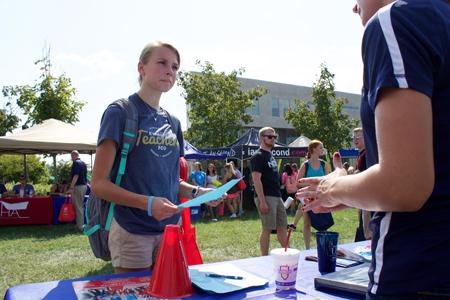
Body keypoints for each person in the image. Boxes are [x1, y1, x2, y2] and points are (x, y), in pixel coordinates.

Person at [298, 1, 450, 298]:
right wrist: (353, 193)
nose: (354, 7)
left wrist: (334, 186)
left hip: (418, 272)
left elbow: (404, 185)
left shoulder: (396, 21)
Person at [90, 42, 222, 274]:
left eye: (175, 66)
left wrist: (199, 194)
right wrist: (148, 204)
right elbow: (99, 185)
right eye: (162, 62)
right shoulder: (120, 112)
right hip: (131, 229)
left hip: (170, 231)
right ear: (141, 68)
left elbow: (172, 182)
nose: (170, 70)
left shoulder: (174, 122)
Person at [250, 127, 288, 256]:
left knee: (283, 227)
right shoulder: (258, 156)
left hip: (276, 196)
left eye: (274, 137)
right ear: (262, 138)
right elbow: (256, 179)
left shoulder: (270, 155)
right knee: (267, 228)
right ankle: (264, 257)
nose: (273, 139)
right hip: (266, 196)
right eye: (270, 136)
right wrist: (262, 201)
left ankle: (287, 254)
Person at [290, 140, 330, 249]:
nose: (323, 149)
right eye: (321, 147)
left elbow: (329, 181)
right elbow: (298, 182)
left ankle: (321, 247)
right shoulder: (305, 165)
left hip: (320, 198)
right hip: (307, 199)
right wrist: (309, 190)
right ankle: (307, 249)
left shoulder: (324, 164)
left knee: (322, 224)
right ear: (313, 149)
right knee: (307, 223)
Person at [352, 127, 371, 242]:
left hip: (368, 196)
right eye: (353, 137)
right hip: (362, 196)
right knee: (363, 223)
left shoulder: (368, 153)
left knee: (368, 230)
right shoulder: (361, 154)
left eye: (358, 137)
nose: (355, 139)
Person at [68, 150, 88, 230]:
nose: (71, 158)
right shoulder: (83, 163)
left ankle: (80, 226)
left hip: (78, 186)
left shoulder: (76, 163)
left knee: (78, 206)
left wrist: (71, 187)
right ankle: (80, 224)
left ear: (73, 156)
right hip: (84, 186)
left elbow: (76, 175)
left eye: (71, 156)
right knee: (80, 206)